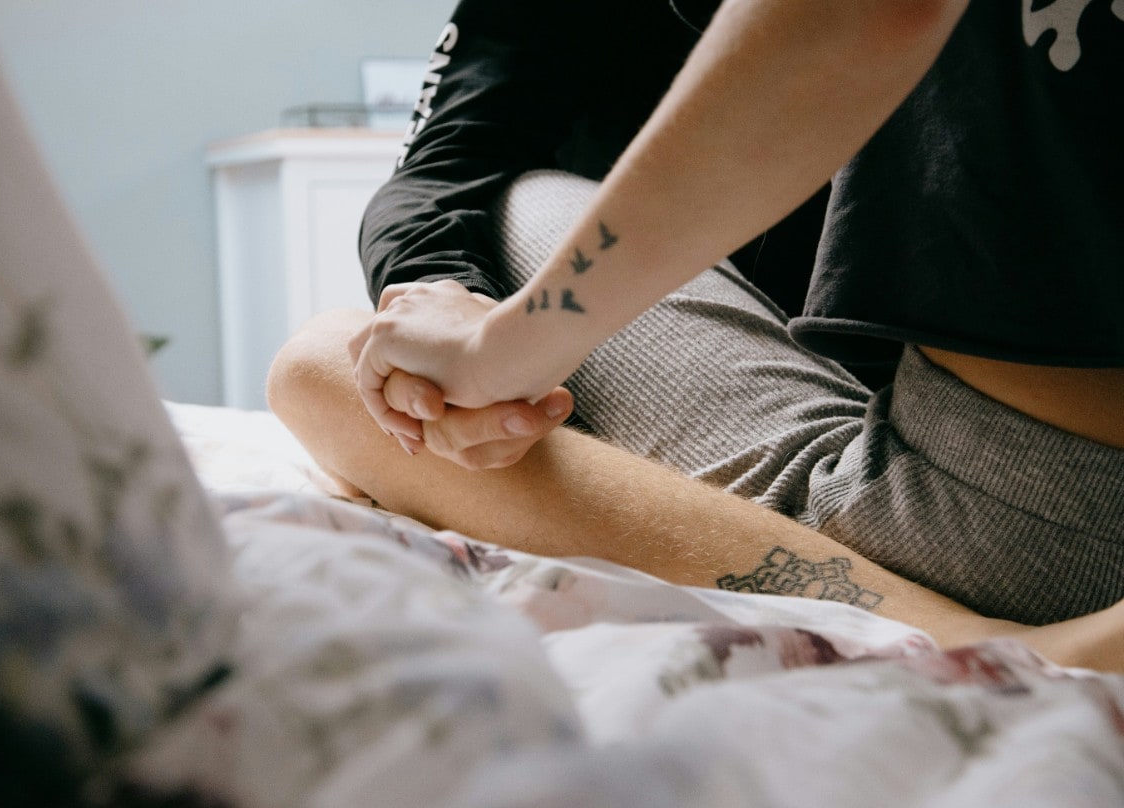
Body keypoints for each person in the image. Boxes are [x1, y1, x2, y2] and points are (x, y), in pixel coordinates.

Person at [269, 0, 1124, 668]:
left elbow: (859, 17)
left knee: (322, 367)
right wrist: (459, 305)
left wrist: (507, 347)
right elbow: (440, 170)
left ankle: (953, 631)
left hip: (1027, 530)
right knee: (376, 334)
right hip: (997, 456)